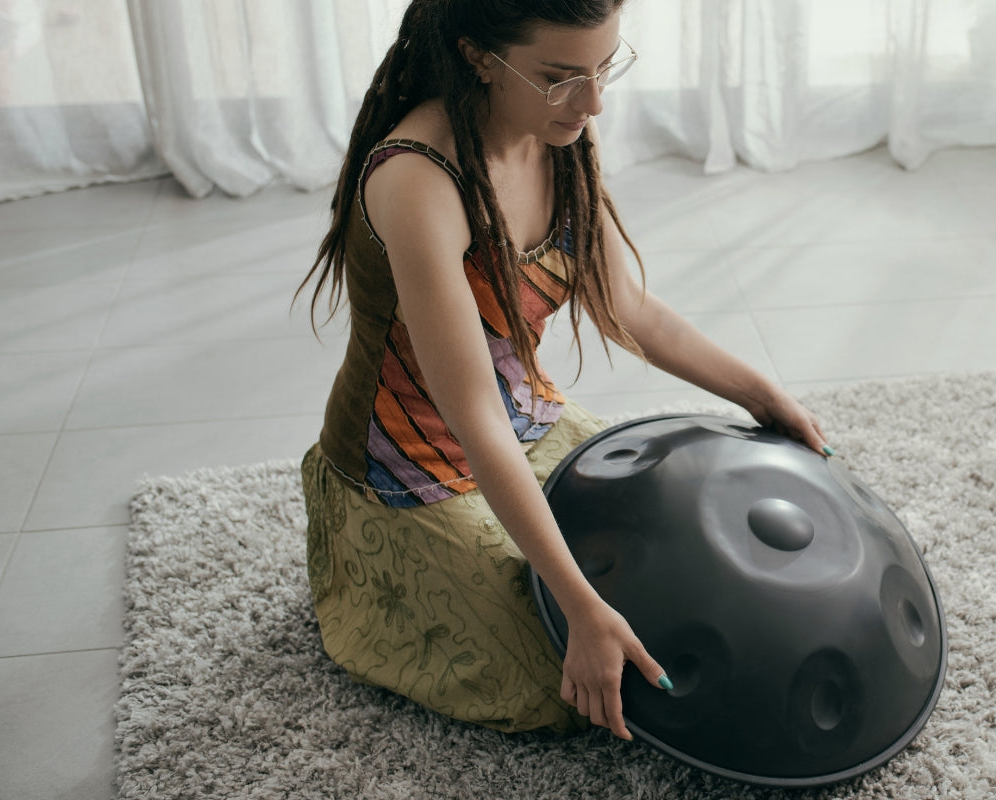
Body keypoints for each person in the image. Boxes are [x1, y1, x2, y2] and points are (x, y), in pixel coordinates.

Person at [294, 0, 832, 741]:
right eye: (560, 76)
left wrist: (763, 396)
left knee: (670, 580)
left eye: (603, 68)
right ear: (480, 56)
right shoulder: (418, 180)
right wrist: (578, 607)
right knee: (560, 671)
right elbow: (472, 413)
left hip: (525, 418)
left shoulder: (560, 131)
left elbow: (630, 309)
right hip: (407, 470)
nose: (593, 101)